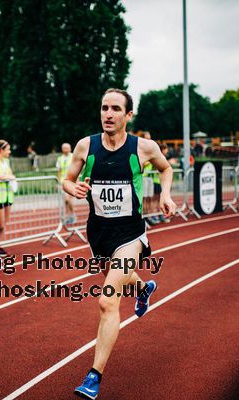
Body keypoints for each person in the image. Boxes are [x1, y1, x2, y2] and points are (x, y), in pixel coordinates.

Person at [63, 89, 176, 399]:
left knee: (107, 301)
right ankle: (142, 288)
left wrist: (165, 194)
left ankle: (93, 377)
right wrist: (73, 187)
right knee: (116, 282)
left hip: (130, 234)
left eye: (115, 109)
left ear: (128, 115)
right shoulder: (86, 145)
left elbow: (166, 169)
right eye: (104, 108)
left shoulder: (144, 148)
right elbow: (66, 178)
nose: (108, 114)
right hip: (98, 232)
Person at [56, 143, 76, 224]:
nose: (67, 149)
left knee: (68, 199)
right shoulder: (60, 158)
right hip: (63, 182)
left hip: (72, 181)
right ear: (62, 149)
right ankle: (68, 216)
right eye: (65, 148)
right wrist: (57, 182)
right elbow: (59, 171)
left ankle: (72, 215)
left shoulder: (73, 156)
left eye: (68, 148)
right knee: (65, 200)